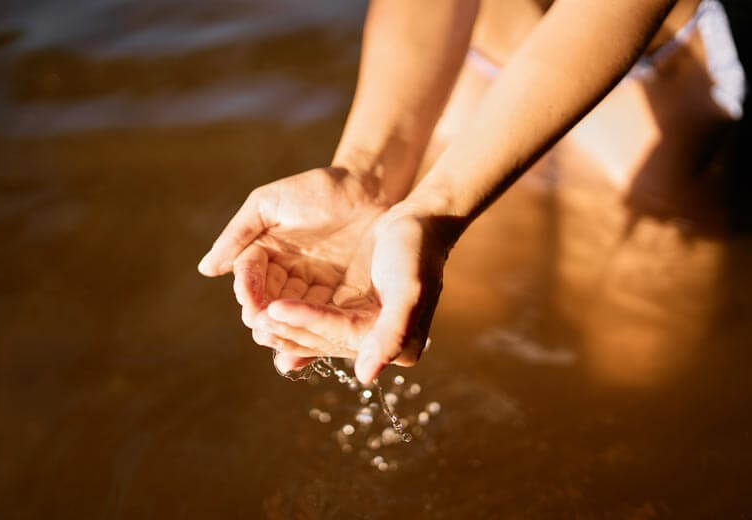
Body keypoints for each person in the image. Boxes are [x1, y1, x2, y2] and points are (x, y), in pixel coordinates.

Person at [198, 0, 746, 385]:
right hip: (472, 50)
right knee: (467, 321)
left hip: (654, 73)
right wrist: (368, 174)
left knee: (638, 366)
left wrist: (434, 209)